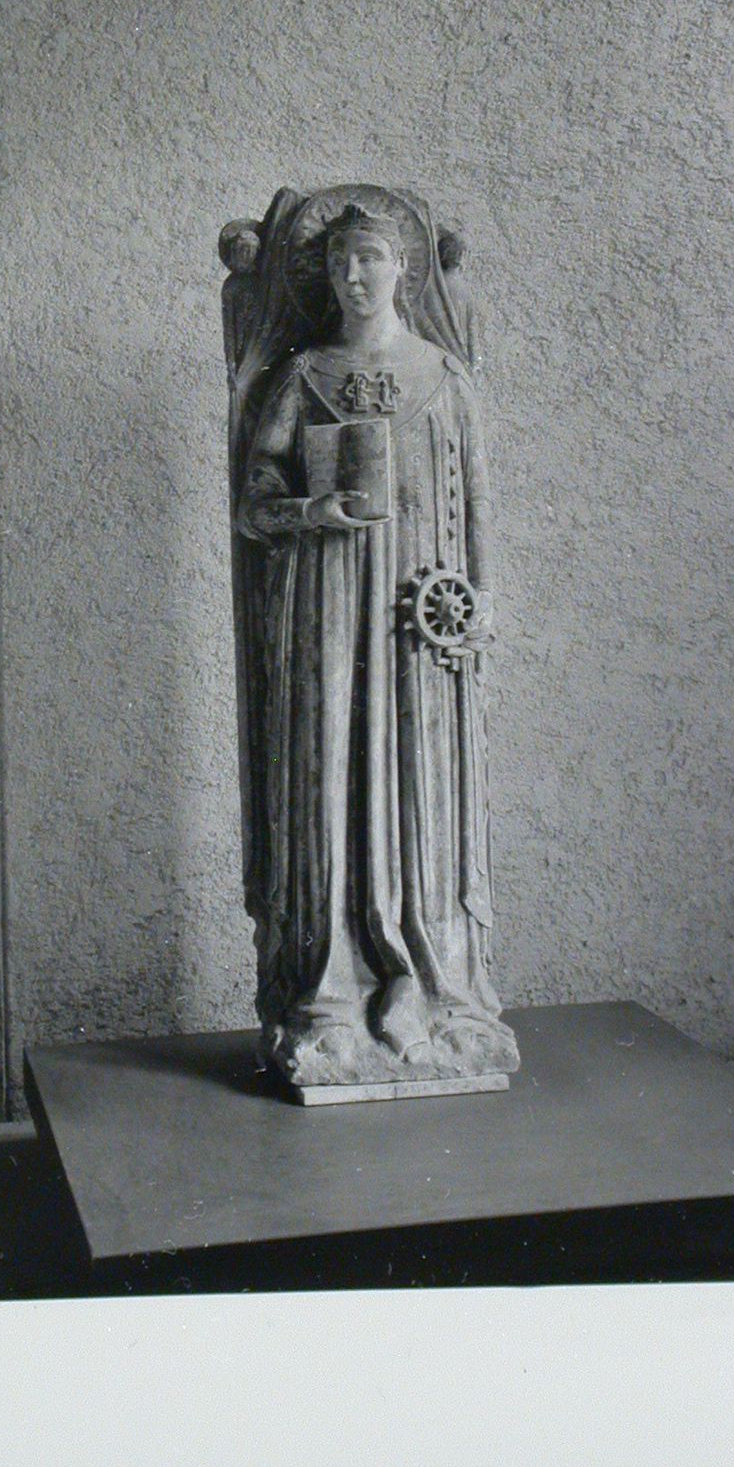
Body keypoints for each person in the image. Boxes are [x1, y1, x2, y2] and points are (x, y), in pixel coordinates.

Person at [230, 191, 518, 1090]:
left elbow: (476, 505)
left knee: (422, 787)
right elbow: (252, 503)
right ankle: (332, 991)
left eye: (372, 259)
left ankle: (424, 984)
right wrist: (317, 508)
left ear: (405, 271)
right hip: (325, 602)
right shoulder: (303, 375)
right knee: (330, 779)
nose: (355, 276)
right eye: (339, 263)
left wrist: (479, 602)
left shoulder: (444, 376)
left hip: (417, 613)